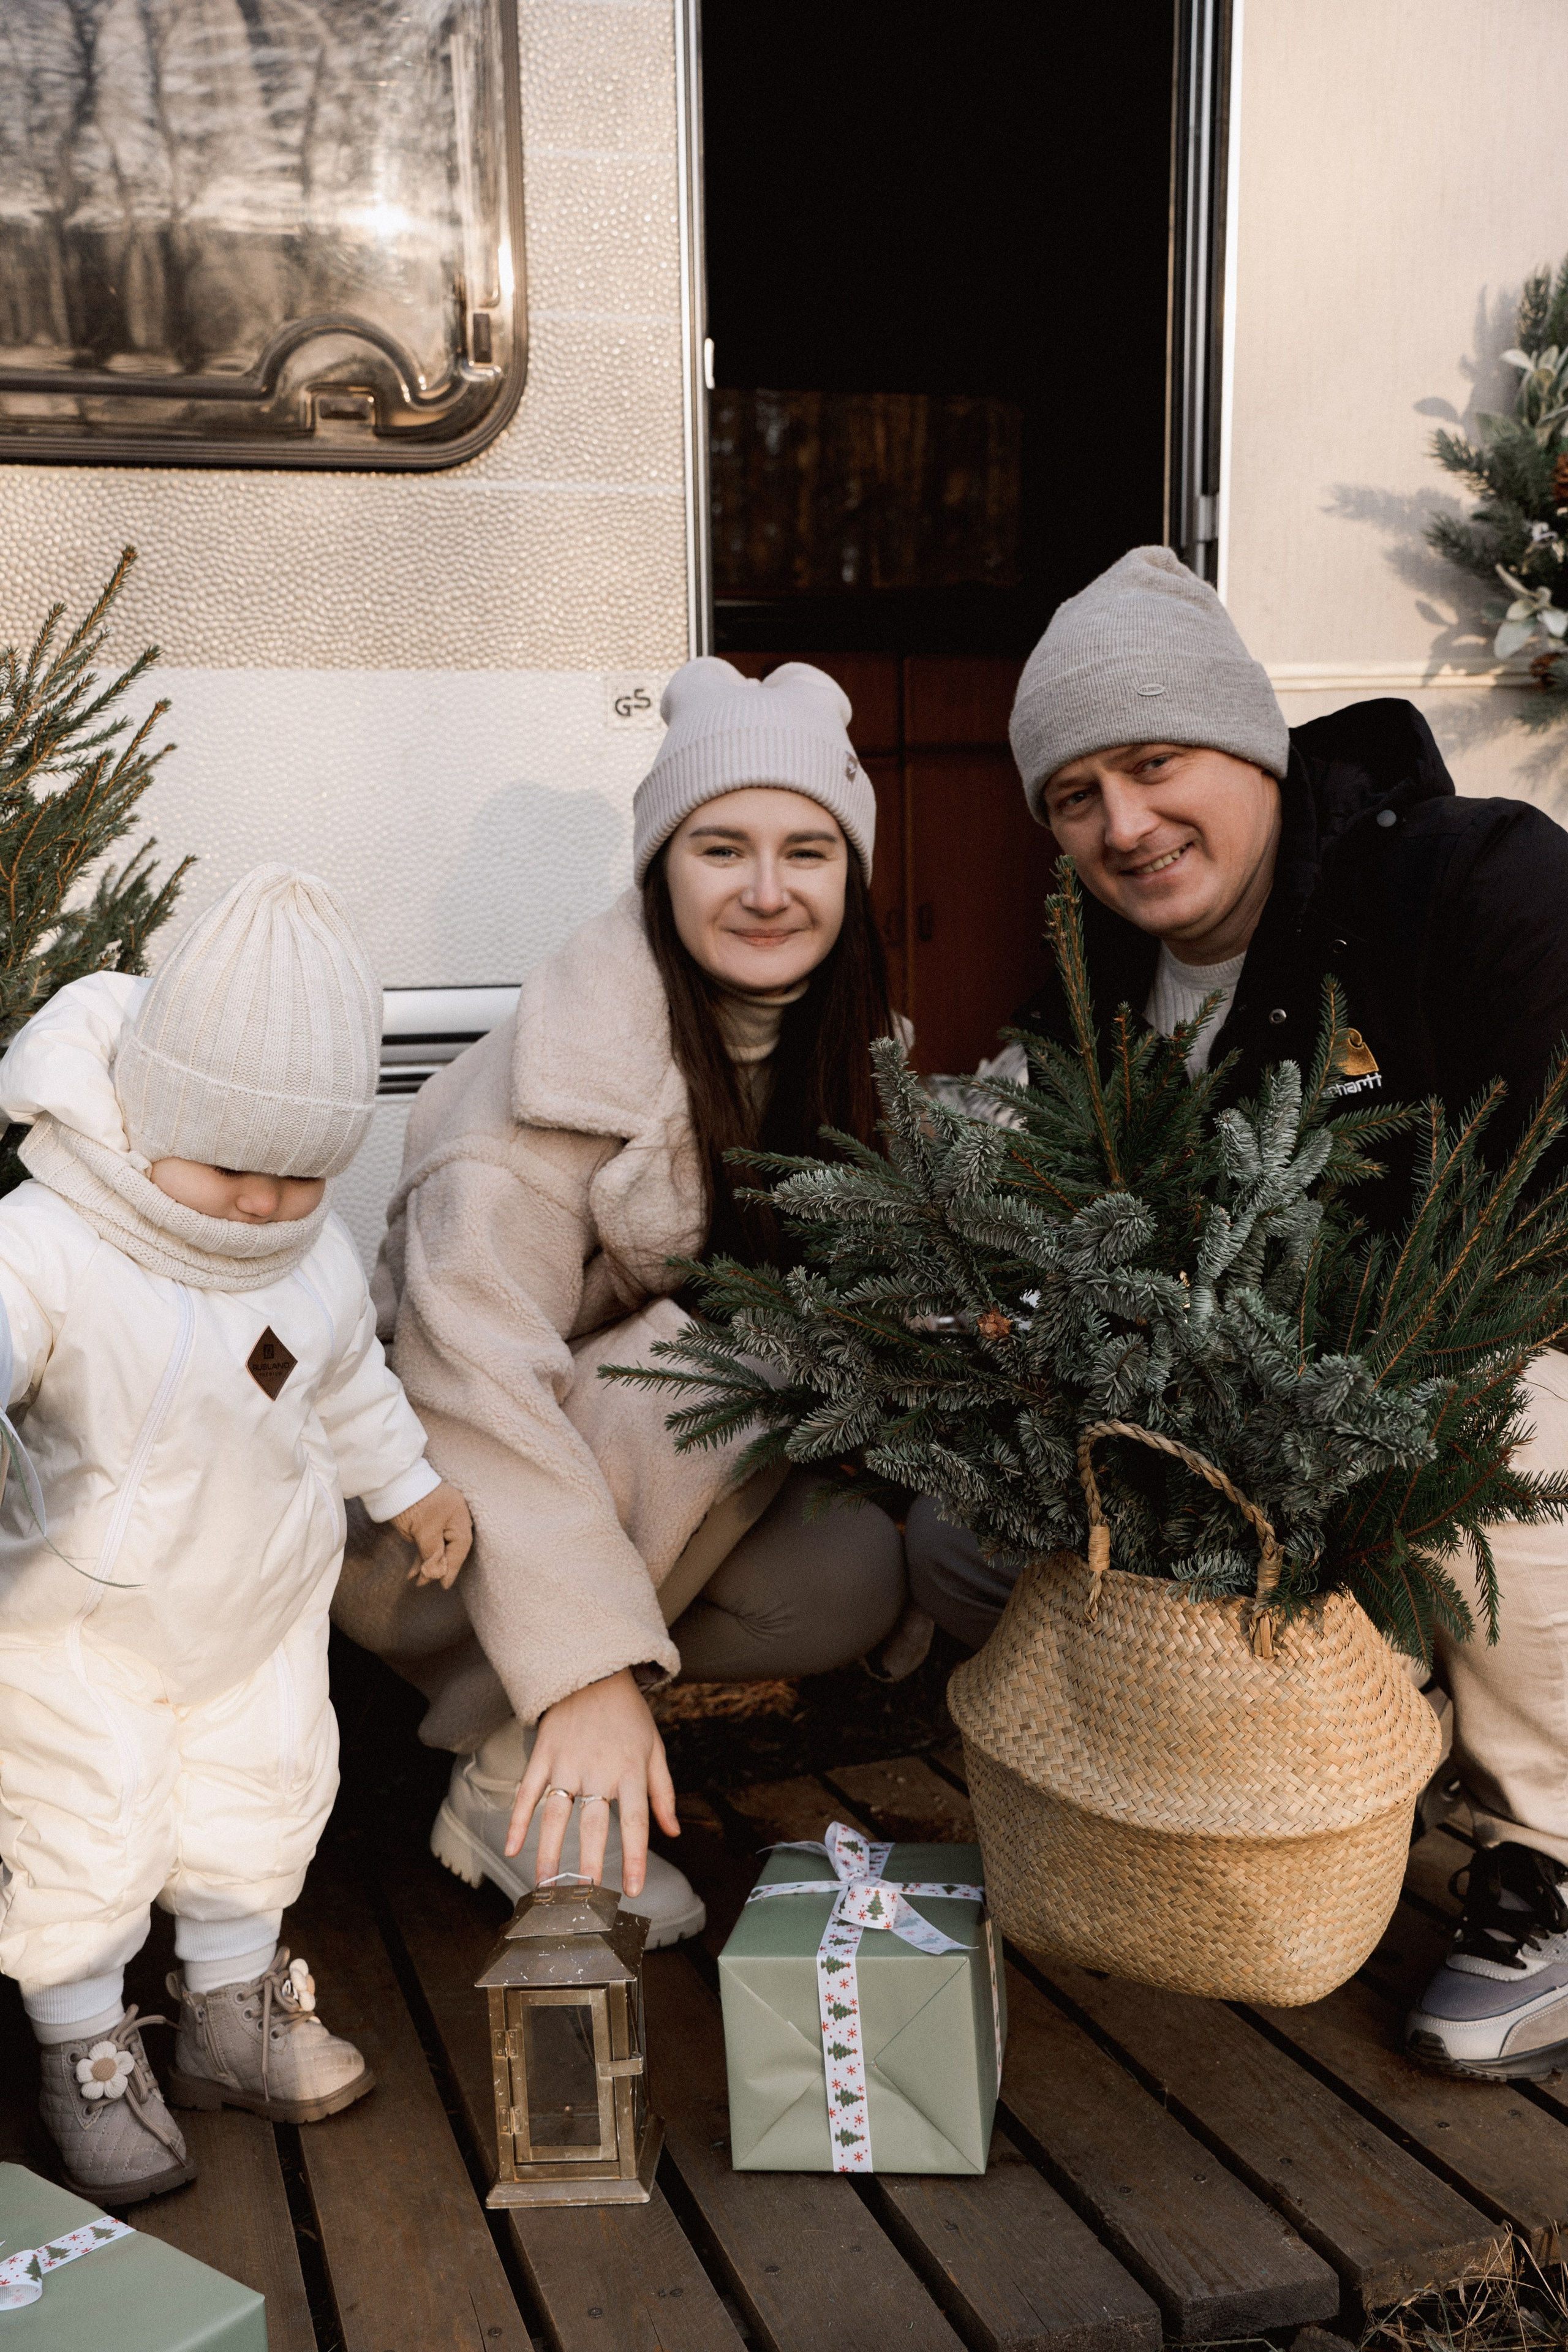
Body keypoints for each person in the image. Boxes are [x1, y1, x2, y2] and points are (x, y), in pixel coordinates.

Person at [907, 546, 1568, 2082]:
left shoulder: (1471, 881)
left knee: (1516, 1429)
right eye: (1073, 798)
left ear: (1251, 744)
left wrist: (1348, 1372)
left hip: (1474, 1380)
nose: (1121, 827)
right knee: (951, 1542)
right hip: (1231, 1435)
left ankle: (1545, 1857)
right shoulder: (1098, 987)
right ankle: (1281, 1763)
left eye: (1152, 764)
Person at [336, 657, 911, 1947]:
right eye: (721, 847)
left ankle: (544, 1719)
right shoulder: (529, 1099)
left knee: (848, 1569)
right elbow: (466, 1393)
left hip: (618, 1486)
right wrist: (587, 1668)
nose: (766, 890)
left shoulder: (842, 1057)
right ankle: (511, 1769)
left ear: (850, 876)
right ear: (661, 869)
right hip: (424, 1539)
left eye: (806, 851)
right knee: (724, 1357)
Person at [0, 866, 472, 2203]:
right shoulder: (54, 1238)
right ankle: (85, 2047)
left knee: (258, 1801)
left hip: (256, 1613)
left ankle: (229, 2012)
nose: (264, 1203)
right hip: (76, 1629)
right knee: (80, 1830)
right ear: (146, 1116)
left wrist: (411, 1486)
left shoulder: (304, 1256)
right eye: (230, 1166)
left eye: (299, 1172)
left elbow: (347, 1386)